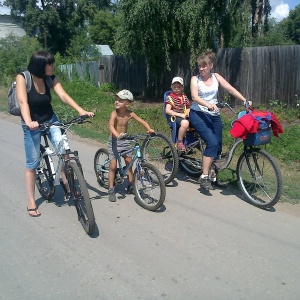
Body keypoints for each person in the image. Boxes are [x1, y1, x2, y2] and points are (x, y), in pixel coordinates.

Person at [16, 50, 94, 217]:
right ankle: (31, 200)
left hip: (50, 118)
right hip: (32, 123)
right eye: (49, 64)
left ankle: (67, 183)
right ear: (40, 66)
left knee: (64, 151)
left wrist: (80, 110)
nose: (52, 66)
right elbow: (23, 102)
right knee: (32, 164)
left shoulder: (50, 77)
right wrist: (29, 121)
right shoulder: (23, 78)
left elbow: (63, 95)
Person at [189, 49, 252, 190]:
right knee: (211, 142)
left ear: (211, 65)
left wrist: (244, 100)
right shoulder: (195, 79)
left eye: (204, 66)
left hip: (213, 114)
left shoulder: (216, 77)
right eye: (199, 66)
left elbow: (230, 89)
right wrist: (209, 105)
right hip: (198, 113)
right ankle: (204, 176)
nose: (201, 68)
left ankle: (213, 175)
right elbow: (195, 97)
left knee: (218, 145)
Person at [107, 89, 155, 202]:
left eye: (120, 100)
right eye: (116, 99)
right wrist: (116, 134)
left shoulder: (130, 114)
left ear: (127, 103)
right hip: (114, 141)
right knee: (113, 166)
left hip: (125, 141)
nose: (117, 102)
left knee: (129, 163)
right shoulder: (114, 113)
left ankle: (130, 185)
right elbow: (110, 126)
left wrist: (149, 129)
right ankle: (111, 188)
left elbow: (142, 121)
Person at [165, 76, 191, 151]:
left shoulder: (184, 97)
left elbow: (188, 107)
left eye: (178, 87)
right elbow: (167, 111)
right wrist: (181, 115)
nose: (176, 89)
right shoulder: (170, 97)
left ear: (182, 88)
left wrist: (187, 113)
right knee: (185, 123)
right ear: (171, 87)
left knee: (197, 121)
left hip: (183, 116)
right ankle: (179, 142)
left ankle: (192, 141)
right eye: (174, 87)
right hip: (174, 117)